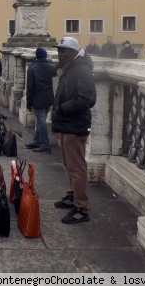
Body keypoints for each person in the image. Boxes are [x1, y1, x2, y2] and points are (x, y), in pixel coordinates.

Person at [51, 37, 96, 224]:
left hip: (74, 124)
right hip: (66, 124)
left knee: (77, 167)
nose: (59, 54)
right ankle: (72, 196)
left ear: (72, 53)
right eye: (59, 50)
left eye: (63, 51)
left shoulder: (82, 71)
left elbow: (88, 99)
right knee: (69, 164)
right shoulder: (70, 69)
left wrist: (63, 108)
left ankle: (81, 208)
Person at [25, 48, 57, 153]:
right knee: (41, 120)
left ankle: (44, 143)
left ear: (36, 57)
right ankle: (37, 141)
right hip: (49, 98)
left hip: (38, 98)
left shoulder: (32, 68)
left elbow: (30, 88)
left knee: (41, 121)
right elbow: (55, 73)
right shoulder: (51, 67)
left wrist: (29, 103)